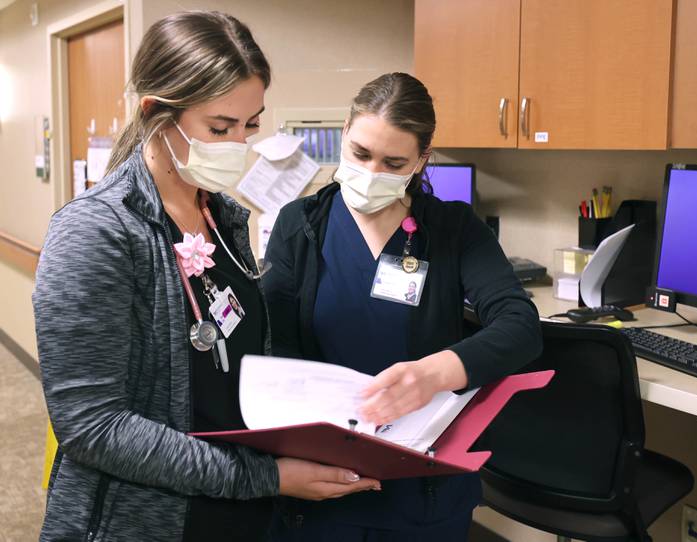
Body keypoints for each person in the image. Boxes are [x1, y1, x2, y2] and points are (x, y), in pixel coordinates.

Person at [33, 12, 377, 542]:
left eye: (251, 124)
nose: (239, 144)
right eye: (220, 128)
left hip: (239, 510)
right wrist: (266, 475)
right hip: (144, 519)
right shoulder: (96, 232)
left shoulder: (223, 216)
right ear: (155, 113)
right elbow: (93, 427)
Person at [263, 72, 542, 541]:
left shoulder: (453, 230)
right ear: (346, 131)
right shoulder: (300, 225)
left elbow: (520, 326)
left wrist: (434, 374)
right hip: (323, 484)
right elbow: (275, 346)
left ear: (421, 160)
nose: (372, 173)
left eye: (393, 162)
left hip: (423, 486)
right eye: (360, 154)